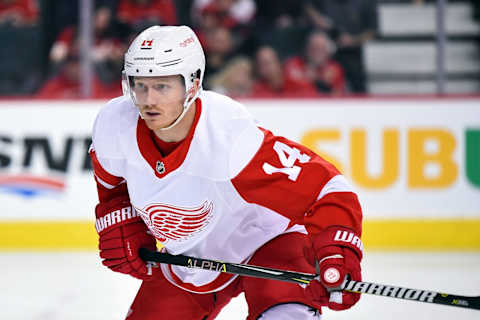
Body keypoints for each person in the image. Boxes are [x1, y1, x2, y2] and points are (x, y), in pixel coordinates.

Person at [90, 25, 363, 319]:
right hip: (190, 259)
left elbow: (327, 188)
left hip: (270, 242)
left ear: (192, 85)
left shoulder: (229, 136)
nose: (148, 100)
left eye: (162, 86)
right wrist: (120, 219)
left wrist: (338, 249)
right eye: (140, 85)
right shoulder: (115, 125)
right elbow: (112, 186)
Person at [284, 31, 346, 95]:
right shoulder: (292, 64)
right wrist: (315, 78)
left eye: (321, 48)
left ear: (328, 51)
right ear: (306, 48)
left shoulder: (335, 68)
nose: (317, 52)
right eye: (314, 47)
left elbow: (337, 95)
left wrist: (318, 80)